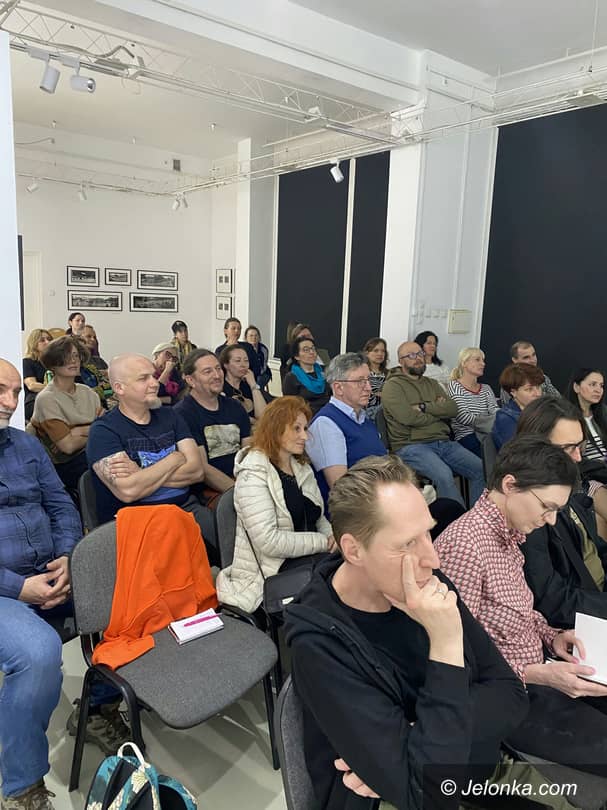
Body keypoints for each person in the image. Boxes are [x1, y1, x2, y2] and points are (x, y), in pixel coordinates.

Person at [285, 454, 529, 810]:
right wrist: (445, 643)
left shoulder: (426, 580)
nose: (434, 559)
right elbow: (425, 794)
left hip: (474, 770)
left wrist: (416, 741)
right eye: (407, 544)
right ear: (353, 550)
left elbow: (511, 693)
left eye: (427, 532)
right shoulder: (320, 644)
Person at [436, 436, 607, 776]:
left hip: (540, 667)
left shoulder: (508, 534)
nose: (551, 520)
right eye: (547, 507)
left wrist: (552, 636)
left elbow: (521, 610)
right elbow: (457, 659)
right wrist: (535, 673)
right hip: (509, 692)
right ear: (510, 485)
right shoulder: (464, 546)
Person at [0, 359, 126, 810]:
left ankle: (96, 709)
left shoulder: (25, 445)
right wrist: (20, 588)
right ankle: (21, 786)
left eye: (16, 392)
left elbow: (60, 504)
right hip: (5, 588)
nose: (11, 402)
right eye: (1, 391)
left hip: (51, 568)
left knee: (129, 605)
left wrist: (70, 557)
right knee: (38, 655)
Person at [86, 353, 218, 565]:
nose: (155, 383)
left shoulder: (170, 415)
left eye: (154, 376)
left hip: (186, 510)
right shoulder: (103, 431)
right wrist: (174, 458)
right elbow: (128, 491)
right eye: (143, 378)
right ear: (119, 388)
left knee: (228, 549)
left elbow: (196, 471)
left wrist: (141, 474)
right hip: (139, 523)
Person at [216, 397, 334, 613]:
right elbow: (268, 542)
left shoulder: (301, 467)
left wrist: (332, 537)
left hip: (309, 557)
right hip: (273, 569)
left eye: (305, 428)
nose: (304, 436)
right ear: (276, 429)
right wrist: (323, 542)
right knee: (340, 582)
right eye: (296, 429)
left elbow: (318, 518)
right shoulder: (253, 473)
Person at [516, 396, 607, 627]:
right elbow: (553, 602)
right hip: (583, 617)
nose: (578, 457)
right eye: (569, 448)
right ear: (536, 447)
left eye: (580, 446)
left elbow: (595, 549)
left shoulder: (565, 485)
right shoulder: (530, 511)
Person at [382, 341, 485, 507]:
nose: (418, 358)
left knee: (480, 469)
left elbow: (452, 409)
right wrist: (438, 413)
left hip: (443, 442)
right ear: (401, 361)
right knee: (444, 475)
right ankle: (455, 521)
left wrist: (424, 407)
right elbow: (408, 418)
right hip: (411, 446)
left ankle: (477, 518)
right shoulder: (392, 386)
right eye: (411, 355)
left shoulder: (432, 383)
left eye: (420, 354)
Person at [306, 353, 384, 501]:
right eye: (360, 381)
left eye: (369, 380)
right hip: (356, 507)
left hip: (380, 496)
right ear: (338, 387)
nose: (369, 388)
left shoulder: (364, 420)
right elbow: (340, 488)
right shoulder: (326, 424)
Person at [175, 349, 251, 499]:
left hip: (243, 481)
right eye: (207, 371)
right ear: (191, 380)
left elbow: (248, 452)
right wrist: (239, 493)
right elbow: (203, 468)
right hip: (210, 491)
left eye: (218, 369)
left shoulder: (235, 407)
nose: (217, 375)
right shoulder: (182, 414)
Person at [30, 336, 104, 492]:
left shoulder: (89, 393)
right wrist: (94, 429)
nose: (73, 361)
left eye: (76, 355)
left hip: (90, 455)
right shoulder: (47, 398)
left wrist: (78, 431)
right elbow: (68, 447)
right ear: (53, 364)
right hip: (61, 466)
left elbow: (106, 430)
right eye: (66, 356)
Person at [565, 368, 607, 539]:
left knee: (600, 519)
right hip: (587, 478)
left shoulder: (603, 414)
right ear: (576, 387)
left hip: (604, 473)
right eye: (592, 384)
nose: (598, 390)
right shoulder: (567, 418)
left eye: (601, 386)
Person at [447, 347, 498, 458]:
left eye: (483, 360)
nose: (483, 364)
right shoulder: (454, 385)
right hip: (467, 437)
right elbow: (463, 417)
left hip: (490, 434)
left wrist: (488, 422)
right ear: (464, 363)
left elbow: (496, 412)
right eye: (477, 360)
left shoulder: (486, 388)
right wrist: (488, 422)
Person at [492, 363, 544, 449]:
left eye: (538, 387)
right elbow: (519, 453)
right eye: (529, 389)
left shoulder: (542, 409)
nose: (538, 393)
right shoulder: (505, 419)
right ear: (513, 392)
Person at [282, 336, 330, 416]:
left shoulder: (324, 371)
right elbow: (290, 406)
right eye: (306, 350)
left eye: (313, 349)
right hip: (307, 416)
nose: (311, 352)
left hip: (328, 413)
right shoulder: (291, 377)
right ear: (297, 356)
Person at [219, 344, 267, 423]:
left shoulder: (248, 385)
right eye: (238, 361)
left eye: (246, 361)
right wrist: (253, 422)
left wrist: (253, 385)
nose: (243, 365)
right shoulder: (220, 388)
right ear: (226, 365)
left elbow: (263, 416)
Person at [22, 328, 52, 421]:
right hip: (35, 400)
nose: (47, 342)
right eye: (42, 340)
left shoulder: (55, 363)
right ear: (34, 344)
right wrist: (56, 389)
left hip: (54, 398)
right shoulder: (27, 362)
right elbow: (32, 386)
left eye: (49, 339)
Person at [361, 337, 387, 420]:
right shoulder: (361, 373)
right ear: (367, 353)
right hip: (366, 414)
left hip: (386, 414)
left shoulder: (389, 374)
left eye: (383, 351)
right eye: (376, 351)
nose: (380, 354)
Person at [244, 324, 272, 391]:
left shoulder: (263, 349)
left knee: (258, 382)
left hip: (262, 373)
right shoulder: (242, 349)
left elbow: (263, 367)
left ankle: (258, 395)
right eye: (251, 336)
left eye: (256, 335)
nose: (254, 338)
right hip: (246, 373)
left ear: (259, 337)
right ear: (246, 338)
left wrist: (253, 376)